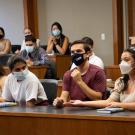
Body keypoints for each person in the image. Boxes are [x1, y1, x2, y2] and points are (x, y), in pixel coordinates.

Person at [67, 47, 135, 111]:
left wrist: (120, 105)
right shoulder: (121, 81)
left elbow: (117, 104)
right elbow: (109, 102)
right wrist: (82, 103)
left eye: (126, 60)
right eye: (121, 60)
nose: (122, 63)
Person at [53, 40, 106, 108]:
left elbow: (98, 99)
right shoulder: (68, 74)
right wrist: (59, 101)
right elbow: (63, 98)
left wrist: (80, 81)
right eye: (72, 52)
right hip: (75, 111)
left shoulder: (98, 72)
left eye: (78, 51)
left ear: (88, 54)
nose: (75, 54)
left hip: (94, 111)